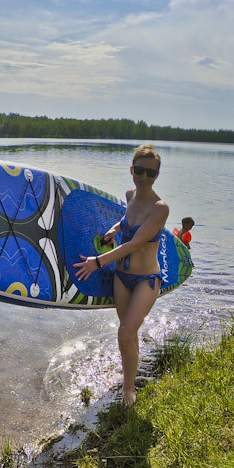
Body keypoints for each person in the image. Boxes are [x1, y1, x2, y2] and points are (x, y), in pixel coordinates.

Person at [73, 144, 168, 407]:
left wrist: (97, 262)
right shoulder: (129, 196)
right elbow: (127, 221)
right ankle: (131, 373)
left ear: (157, 175)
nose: (144, 177)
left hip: (146, 281)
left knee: (125, 333)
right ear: (131, 170)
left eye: (151, 173)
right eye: (140, 170)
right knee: (129, 333)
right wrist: (115, 229)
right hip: (121, 278)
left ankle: (128, 391)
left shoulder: (161, 208)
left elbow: (136, 243)